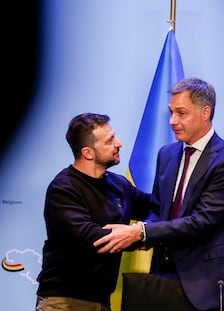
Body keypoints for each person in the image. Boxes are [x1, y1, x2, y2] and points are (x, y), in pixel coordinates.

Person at [93, 77, 224, 311]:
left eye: (181, 113)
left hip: (208, 285)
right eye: (170, 112)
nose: (172, 121)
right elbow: (159, 209)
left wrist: (141, 232)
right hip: (163, 278)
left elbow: (202, 222)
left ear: (205, 112)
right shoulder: (166, 154)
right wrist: (142, 234)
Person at [35, 113, 154, 311]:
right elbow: (92, 238)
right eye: (110, 141)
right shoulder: (63, 189)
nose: (119, 143)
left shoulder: (119, 184)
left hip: (101, 302)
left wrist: (146, 230)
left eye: (114, 136)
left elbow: (154, 207)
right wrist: (138, 236)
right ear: (88, 153)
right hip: (64, 302)